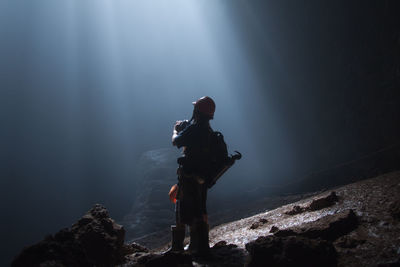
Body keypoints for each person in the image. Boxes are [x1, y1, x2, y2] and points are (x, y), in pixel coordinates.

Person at [168, 96, 217, 255]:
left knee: (180, 209)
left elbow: (176, 141)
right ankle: (200, 245)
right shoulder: (208, 131)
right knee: (200, 209)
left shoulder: (194, 129)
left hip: (188, 176)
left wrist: (175, 129)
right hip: (202, 177)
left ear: (197, 111)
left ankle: (178, 247)